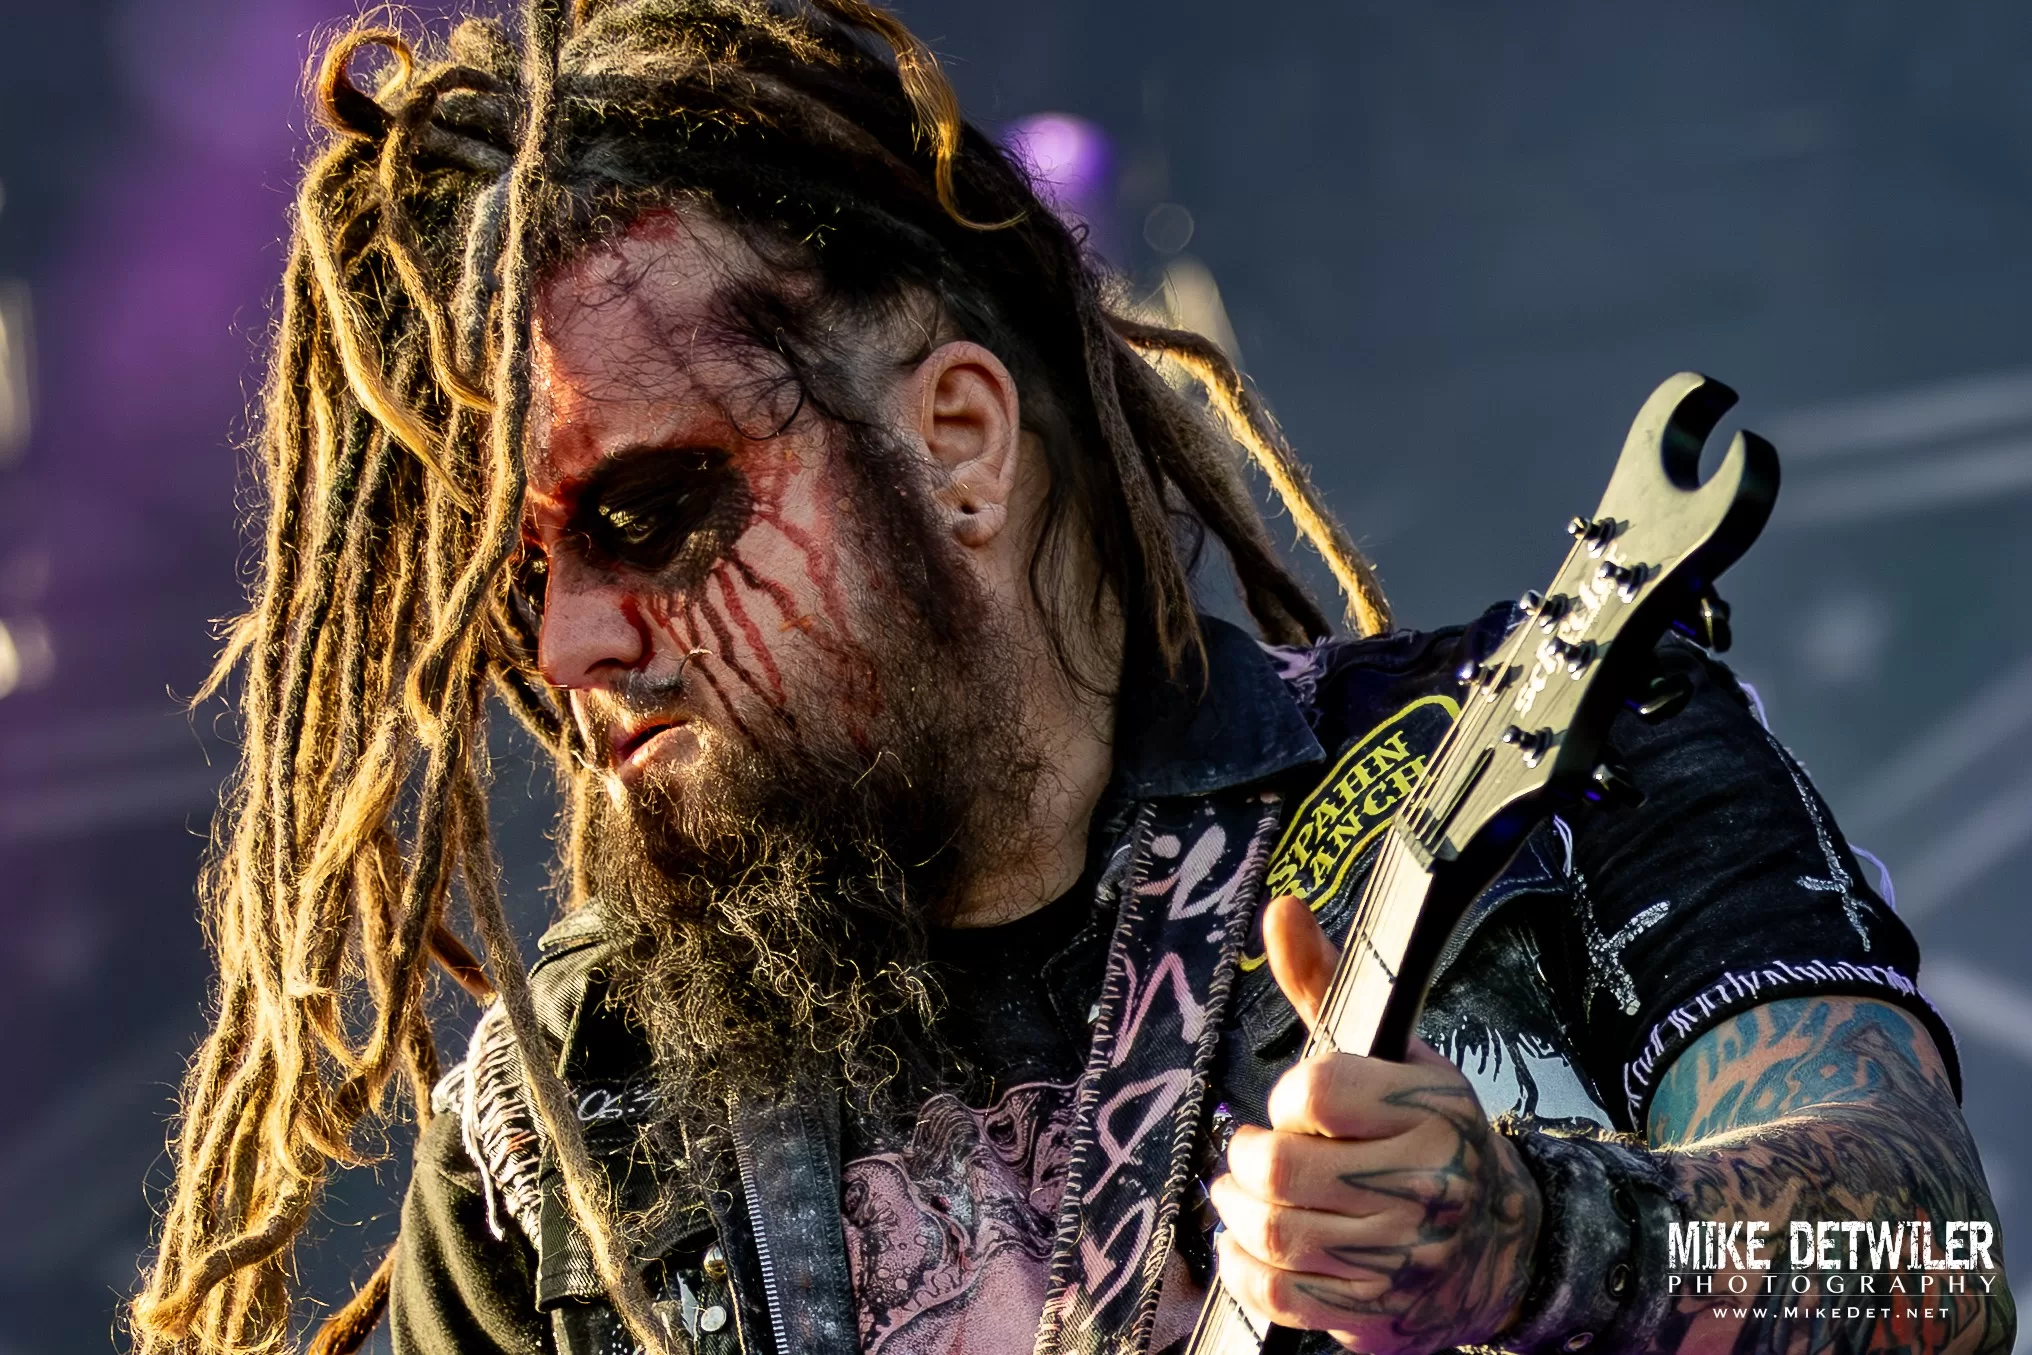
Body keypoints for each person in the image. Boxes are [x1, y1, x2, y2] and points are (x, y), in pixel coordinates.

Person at [131, 3, 2014, 1354]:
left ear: (955, 441)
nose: (568, 648)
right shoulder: (565, 1136)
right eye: (516, 587)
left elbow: (1932, 1266)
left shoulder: (1546, 753)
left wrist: (1540, 1241)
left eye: (653, 513)